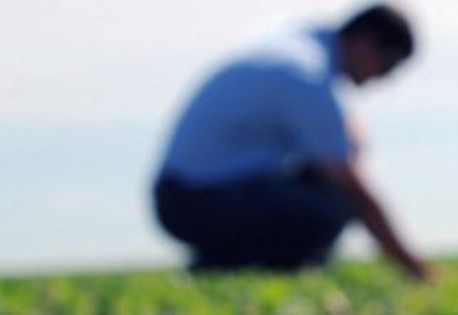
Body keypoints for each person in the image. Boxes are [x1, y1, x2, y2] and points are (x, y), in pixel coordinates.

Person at [152, 4, 432, 278]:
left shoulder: (301, 47)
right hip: (192, 199)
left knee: (322, 190)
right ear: (366, 42)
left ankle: (225, 263)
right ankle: (223, 265)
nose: (382, 79)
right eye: (388, 66)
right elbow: (354, 189)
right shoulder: (306, 75)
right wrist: (411, 265)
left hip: (187, 193)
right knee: (330, 206)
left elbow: (341, 135)